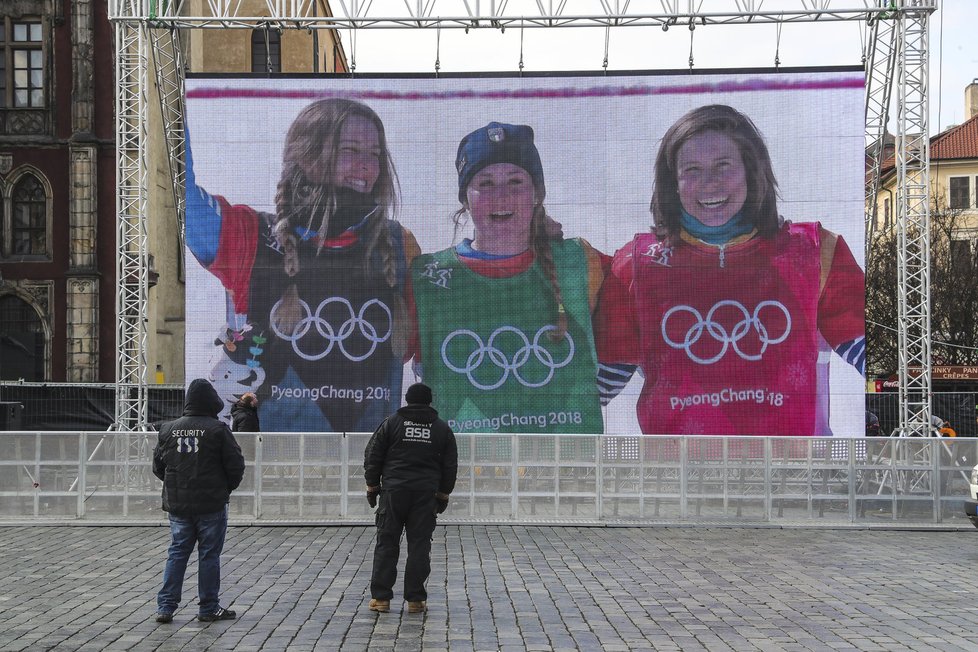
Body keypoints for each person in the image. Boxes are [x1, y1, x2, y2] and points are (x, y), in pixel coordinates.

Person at [596, 104, 865, 436]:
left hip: (793, 475)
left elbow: (871, 353)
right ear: (673, 183)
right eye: (692, 170)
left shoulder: (815, 251)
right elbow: (599, 384)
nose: (711, 183)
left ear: (752, 172)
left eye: (724, 166)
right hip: (677, 478)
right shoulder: (636, 264)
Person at [185, 98, 420, 432]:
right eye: (350, 150)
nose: (367, 167)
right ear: (306, 155)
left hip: (364, 464)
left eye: (374, 154)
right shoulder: (250, 235)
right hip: (269, 464)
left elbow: (426, 348)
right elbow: (183, 198)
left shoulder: (400, 245)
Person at [410, 122, 608, 434]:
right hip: (471, 471)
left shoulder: (581, 261)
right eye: (485, 184)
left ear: (536, 195)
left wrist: (579, 404)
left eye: (515, 182)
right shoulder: (428, 277)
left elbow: (627, 349)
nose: (501, 196)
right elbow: (419, 370)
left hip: (564, 469)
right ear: (465, 199)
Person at [152, 378, 245, 623]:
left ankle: (166, 607)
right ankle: (208, 607)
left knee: (177, 553)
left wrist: (175, 486)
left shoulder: (167, 429)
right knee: (209, 555)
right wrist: (225, 489)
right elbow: (235, 465)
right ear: (211, 401)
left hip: (179, 504)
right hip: (211, 503)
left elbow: (158, 467)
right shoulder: (218, 429)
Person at [364, 382, 458, 614]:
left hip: (393, 493)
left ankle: (381, 599)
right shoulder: (441, 429)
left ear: (406, 399)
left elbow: (373, 455)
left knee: (386, 544)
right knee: (419, 546)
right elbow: (450, 466)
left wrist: (372, 487)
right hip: (425, 495)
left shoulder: (391, 423)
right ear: (429, 401)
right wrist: (443, 495)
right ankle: (416, 600)